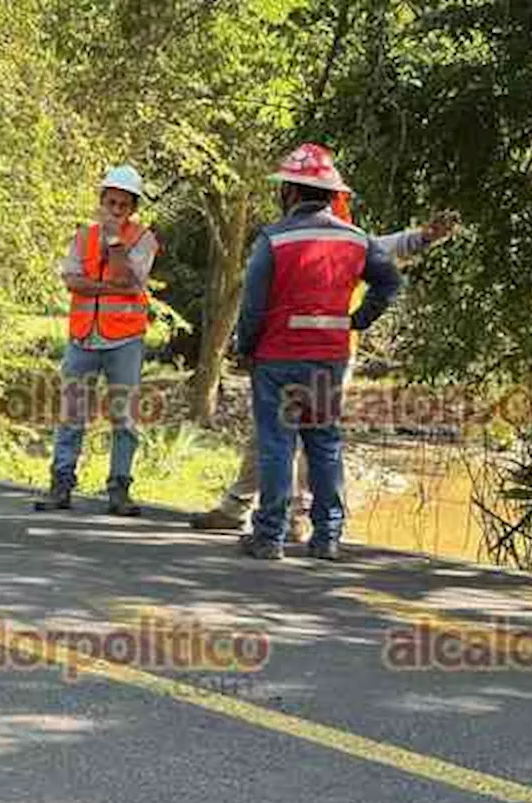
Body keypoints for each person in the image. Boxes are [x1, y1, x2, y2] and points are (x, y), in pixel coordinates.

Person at [189, 210, 461, 540]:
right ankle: (248, 508)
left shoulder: (341, 243)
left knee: (301, 437)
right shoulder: (310, 244)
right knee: (276, 434)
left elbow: (391, 248)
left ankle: (293, 516)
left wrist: (424, 237)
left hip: (326, 355)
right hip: (301, 351)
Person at [235, 143, 401, 561]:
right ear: (331, 194)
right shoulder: (356, 240)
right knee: (324, 443)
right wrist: (360, 318)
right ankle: (327, 537)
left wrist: (245, 348)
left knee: (277, 443)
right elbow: (390, 283)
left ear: (290, 191)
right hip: (329, 357)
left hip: (277, 357)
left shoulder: (272, 240)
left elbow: (253, 305)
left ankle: (269, 537)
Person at [34, 164, 161, 516]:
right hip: (83, 336)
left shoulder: (144, 239)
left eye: (122, 205)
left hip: (124, 339)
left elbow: (126, 277)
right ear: (101, 201)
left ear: (133, 207)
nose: (115, 211)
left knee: (124, 417)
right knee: (71, 412)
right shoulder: (83, 236)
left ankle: (119, 490)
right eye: (110, 203)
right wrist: (109, 286)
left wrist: (116, 241)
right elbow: (72, 281)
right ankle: (61, 485)